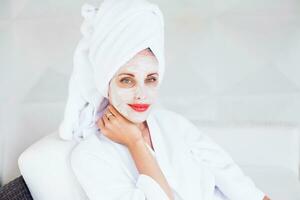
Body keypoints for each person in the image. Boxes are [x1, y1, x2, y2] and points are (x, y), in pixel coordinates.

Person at [60, 0, 271, 199]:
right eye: (127, 80)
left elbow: (236, 182)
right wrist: (135, 143)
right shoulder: (91, 156)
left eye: (150, 79)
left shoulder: (171, 123)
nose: (141, 94)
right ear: (105, 82)